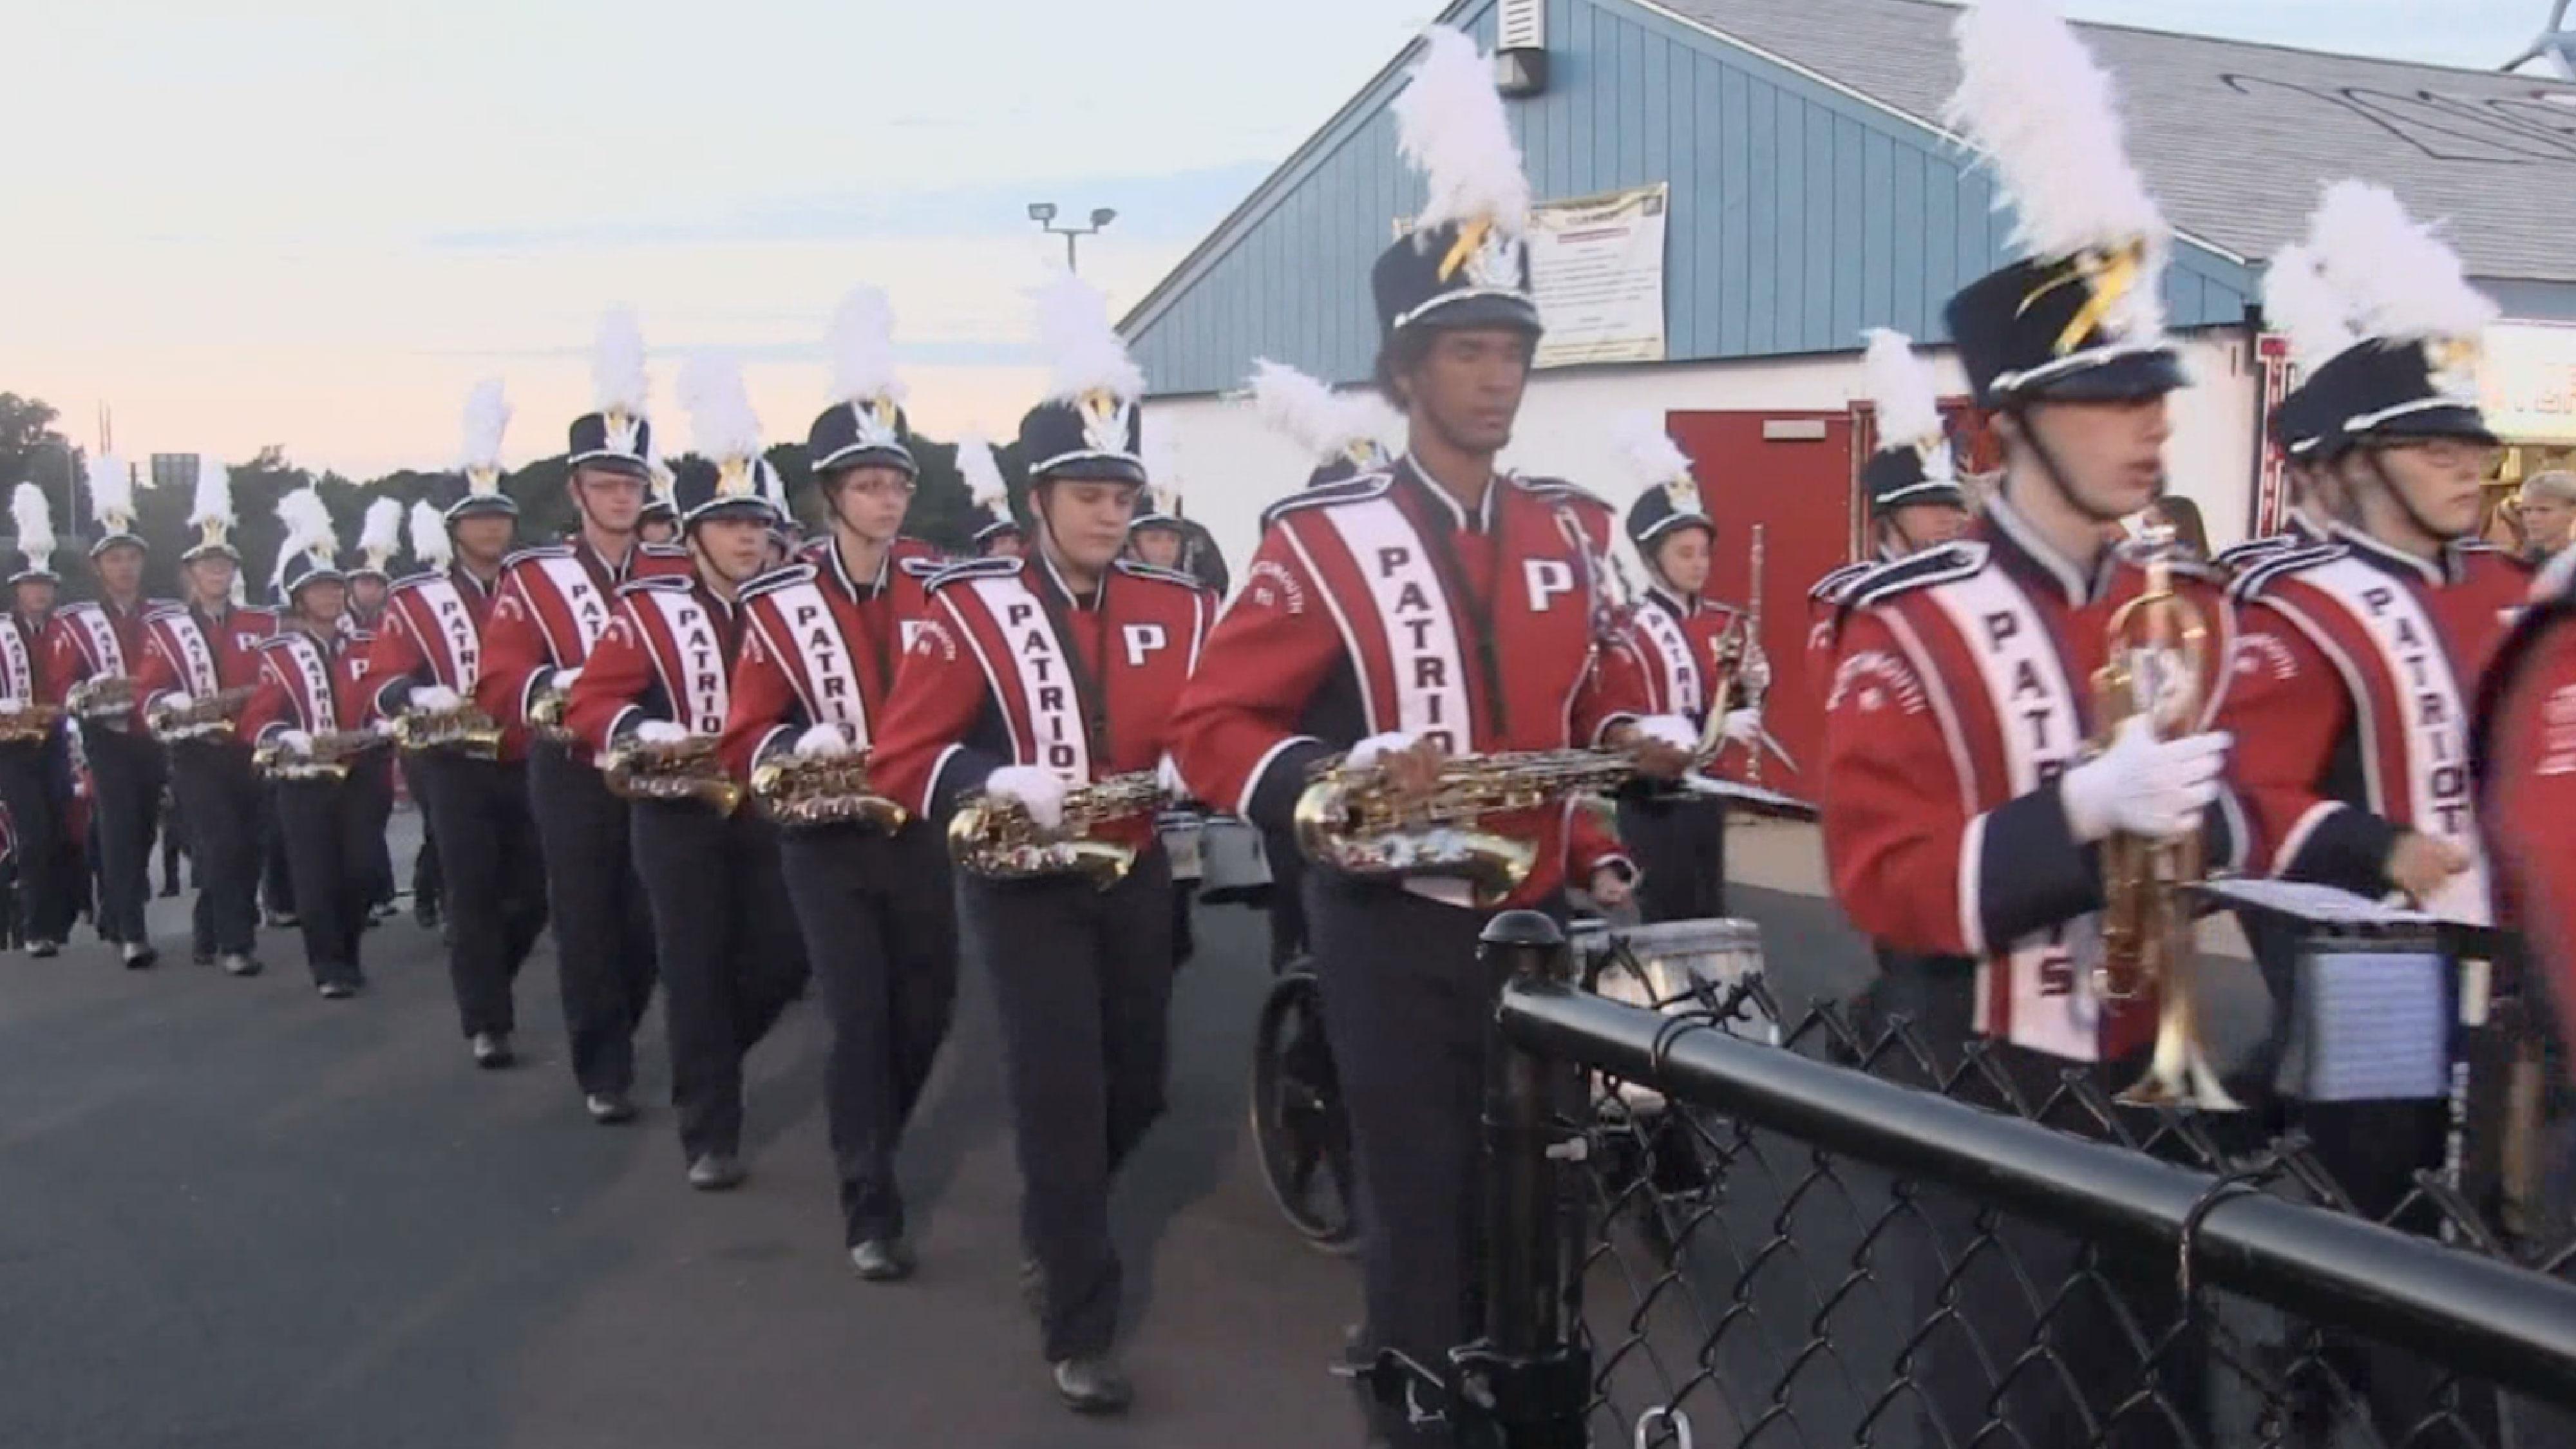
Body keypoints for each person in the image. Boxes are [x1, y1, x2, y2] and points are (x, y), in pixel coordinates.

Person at [1169, 32, 1687, 1445]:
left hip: (1532, 920)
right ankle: (1409, 1407)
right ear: (1405, 371)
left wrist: (1608, 791)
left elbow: (1568, 718)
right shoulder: (1321, 536)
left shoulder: (1566, 531)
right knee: (1415, 1199)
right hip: (1388, 919)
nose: (1496, 376)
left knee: (1541, 1193)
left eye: (1511, 348)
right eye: (1466, 349)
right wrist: (1323, 784)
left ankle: (1518, 1406)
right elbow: (1211, 722)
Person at [1821, 5, 2236, 1443]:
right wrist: (2077, 816)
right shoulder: (1907, 622)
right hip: (1986, 1076)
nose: (2147, 427)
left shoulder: (2172, 601)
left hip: (2144, 1067)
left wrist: (2205, 811)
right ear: (2010, 420)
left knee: (2156, 1402)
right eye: (2107, 398)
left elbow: (2215, 828)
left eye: (2149, 396)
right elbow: (1883, 885)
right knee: (2009, 1407)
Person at [2215, 183, 2524, 1446]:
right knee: (2383, 1201)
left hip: (2517, 952)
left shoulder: (2513, 587)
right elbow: (2246, 794)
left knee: (2509, 1207)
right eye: (2431, 447)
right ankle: (2343, 1390)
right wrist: (2377, 846)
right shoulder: (2290, 600)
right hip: (2369, 948)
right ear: (2343, 467)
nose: (2466, 467)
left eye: (2470, 448)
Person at [871, 273, 1210, 1416]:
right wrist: (987, 776)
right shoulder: (970, 603)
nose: (1113, 513)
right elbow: (902, 759)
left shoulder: (1176, 603)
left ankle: (1061, 1223)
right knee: (1060, 1094)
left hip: (1136, 868)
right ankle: (1078, 1314)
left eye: (1124, 493)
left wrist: (1197, 759)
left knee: (1142, 1088)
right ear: (1040, 498)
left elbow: (1214, 718)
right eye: (1090, 493)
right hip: (1021, 881)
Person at [718, 285, 959, 1278]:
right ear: (830, 496)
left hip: (920, 833)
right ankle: (869, 1194)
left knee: (926, 1011)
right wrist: (789, 756)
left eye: (896, 482)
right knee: (858, 1012)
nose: (887, 498)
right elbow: (747, 731)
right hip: (824, 837)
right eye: (866, 484)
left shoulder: (945, 582)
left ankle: (874, 1133)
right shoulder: (779, 600)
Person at [566, 356, 810, 1190]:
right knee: (695, 961)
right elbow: (592, 702)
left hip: (772, 810)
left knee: (785, 957)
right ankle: (711, 1128)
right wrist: (646, 728)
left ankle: (707, 1056)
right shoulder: (647, 605)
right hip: (676, 812)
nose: (748, 537)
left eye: (757, 522)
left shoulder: (799, 606)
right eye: (728, 521)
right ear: (697, 530)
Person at [477, 310, 689, 1126]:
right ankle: (602, 1064)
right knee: (587, 913)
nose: (621, 498)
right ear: (577, 490)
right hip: (568, 766)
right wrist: (560, 688)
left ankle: (624, 1025)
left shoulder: (674, 567)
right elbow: (500, 680)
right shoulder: (533, 576)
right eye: (605, 485)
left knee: (645, 920)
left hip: (656, 761)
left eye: (632, 485)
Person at [368, 383, 549, 1069]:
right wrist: (420, 695)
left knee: (533, 891)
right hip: (451, 758)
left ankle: (488, 978)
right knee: (471, 887)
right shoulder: (417, 596)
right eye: (478, 518)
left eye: (501, 516)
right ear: (454, 526)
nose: (493, 529)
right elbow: (385, 676)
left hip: (526, 752)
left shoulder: (539, 583)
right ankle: (487, 1019)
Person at [1607, 414, 1763, 922]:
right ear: (1653, 557)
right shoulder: (1628, 627)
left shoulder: (1726, 621)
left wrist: (1754, 690)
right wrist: (1709, 728)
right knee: (1670, 916)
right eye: (1685, 553)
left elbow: (1734, 702)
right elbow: (1636, 720)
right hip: (1654, 797)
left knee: (1710, 910)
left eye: (1704, 552)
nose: (1699, 564)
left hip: (1709, 793)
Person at [240, 491, 388, 998]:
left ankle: (349, 949)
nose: (330, 596)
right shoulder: (278, 652)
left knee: (363, 867)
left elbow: (386, 696)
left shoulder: (370, 644)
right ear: (299, 598)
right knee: (315, 873)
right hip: (304, 777)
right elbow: (259, 718)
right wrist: (292, 739)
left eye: (334, 587)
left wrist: (388, 724)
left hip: (363, 769)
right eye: (319, 589)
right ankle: (329, 966)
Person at [136, 462, 278, 974]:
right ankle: (237, 945)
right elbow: (150, 690)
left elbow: (279, 678)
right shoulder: (170, 629)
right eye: (208, 566)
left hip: (248, 749)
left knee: (248, 847)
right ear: (192, 574)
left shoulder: (262, 622)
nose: (218, 573)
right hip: (198, 753)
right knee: (220, 845)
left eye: (225, 566)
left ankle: (208, 925)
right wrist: (176, 708)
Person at [44, 455, 168, 968]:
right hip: (107, 734)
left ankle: (117, 913)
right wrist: (89, 692)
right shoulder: (77, 620)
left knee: (142, 829)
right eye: (115, 559)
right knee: (118, 825)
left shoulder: (164, 614)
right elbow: (62, 683)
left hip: (153, 734)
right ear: (98, 566)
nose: (125, 567)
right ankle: (132, 930)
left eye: (132, 558)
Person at [1804, 330, 1974, 703]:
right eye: (1930, 506)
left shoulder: (1969, 589)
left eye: (1952, 506)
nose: (1949, 518)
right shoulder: (1850, 599)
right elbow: (1833, 694)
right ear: (1890, 515)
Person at [1, 486, 73, 958]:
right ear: (17, 590)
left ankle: (56, 919)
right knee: (31, 831)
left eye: (46, 586)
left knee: (61, 828)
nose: (40, 593)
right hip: (10, 745)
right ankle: (34, 925)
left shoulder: (67, 630)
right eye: (31, 586)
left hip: (55, 741)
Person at [341, 497, 406, 921]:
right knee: (349, 829)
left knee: (373, 819)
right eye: (363, 583)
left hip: (382, 739)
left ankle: (376, 891)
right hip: (342, 740)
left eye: (377, 584)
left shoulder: (394, 623)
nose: (370, 591)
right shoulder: (339, 630)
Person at [2514, 469, 2576, 565]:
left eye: (2544, 510)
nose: (2532, 519)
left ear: (2573, 512)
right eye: (2527, 510)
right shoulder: (2519, 562)